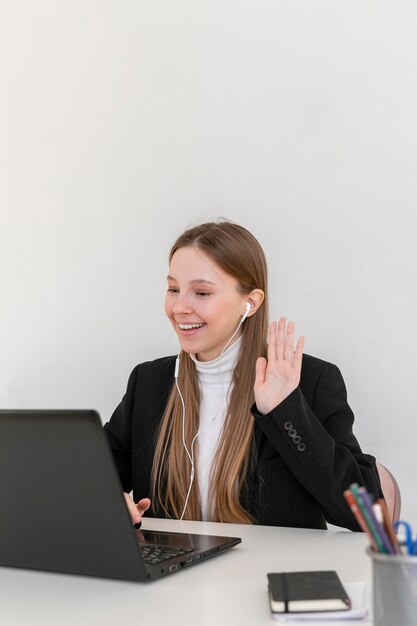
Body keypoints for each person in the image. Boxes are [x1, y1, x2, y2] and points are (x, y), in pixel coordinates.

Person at [104, 220, 381, 531]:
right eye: (173, 289)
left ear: (250, 303)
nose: (179, 307)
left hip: (267, 576)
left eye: (201, 292)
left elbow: (367, 512)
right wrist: (109, 500)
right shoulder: (149, 382)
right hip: (172, 576)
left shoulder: (311, 381)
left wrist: (285, 410)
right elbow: (93, 471)